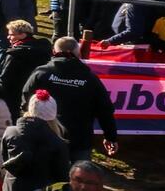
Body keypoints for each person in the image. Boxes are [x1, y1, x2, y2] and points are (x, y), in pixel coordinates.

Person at [21, 35, 116, 163]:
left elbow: (26, 101)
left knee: (43, 171)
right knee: (80, 173)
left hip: (44, 136)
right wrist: (110, 136)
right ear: (78, 53)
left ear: (54, 52)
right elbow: (105, 109)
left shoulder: (41, 73)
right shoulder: (90, 78)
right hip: (79, 139)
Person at [0, 16, 50, 113]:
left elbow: (5, 79)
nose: (8, 37)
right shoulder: (43, 49)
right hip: (35, 95)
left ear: (22, 35)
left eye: (11, 35)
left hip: (14, 97)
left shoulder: (14, 54)